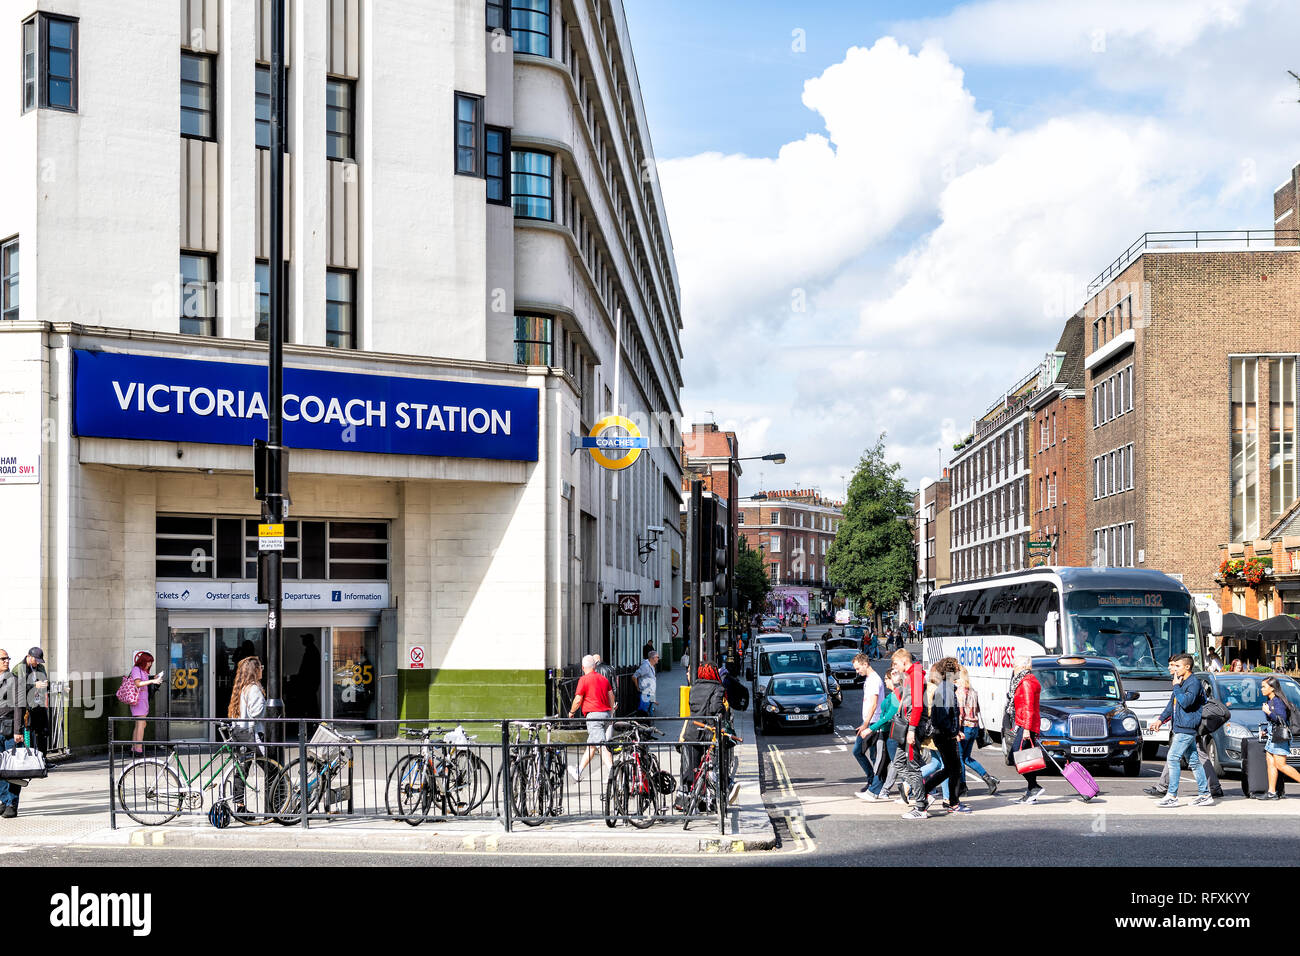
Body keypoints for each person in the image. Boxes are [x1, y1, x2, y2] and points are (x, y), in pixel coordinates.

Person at [1144, 667, 1223, 800]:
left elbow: (1186, 703)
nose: (1171, 669)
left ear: (1185, 667)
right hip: (1182, 728)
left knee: (1173, 758)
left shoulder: (1192, 683)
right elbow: (1172, 706)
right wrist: (1160, 721)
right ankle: (1205, 793)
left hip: (1186, 728)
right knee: (1195, 761)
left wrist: (1176, 687)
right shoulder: (1182, 684)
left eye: (1175, 666)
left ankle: (1171, 795)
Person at [920, 657, 969, 814]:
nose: (959, 672)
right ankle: (952, 802)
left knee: (950, 769)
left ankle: (930, 791)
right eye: (957, 669)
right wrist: (952, 732)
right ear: (951, 671)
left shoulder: (945, 687)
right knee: (954, 769)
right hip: (944, 735)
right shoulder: (945, 689)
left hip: (943, 735)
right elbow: (941, 715)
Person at [676, 663, 728, 810]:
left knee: (691, 768)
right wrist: (723, 709)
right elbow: (715, 708)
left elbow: (692, 708)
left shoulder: (694, 688)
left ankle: (684, 801)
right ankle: (710, 801)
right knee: (712, 766)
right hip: (708, 732)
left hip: (692, 731)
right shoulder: (718, 688)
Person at [890, 648, 932, 820]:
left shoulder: (915, 674)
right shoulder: (910, 675)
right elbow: (906, 700)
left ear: (904, 661)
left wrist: (912, 730)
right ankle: (923, 795)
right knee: (899, 762)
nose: (895, 667)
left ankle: (921, 807)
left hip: (912, 726)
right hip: (908, 725)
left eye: (896, 663)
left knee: (912, 766)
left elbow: (917, 706)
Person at [567, 654, 615, 781]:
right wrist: (611, 712)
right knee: (592, 746)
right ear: (594, 666)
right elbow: (611, 696)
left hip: (594, 717)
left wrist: (571, 712)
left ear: (583, 667)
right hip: (606, 715)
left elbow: (578, 699)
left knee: (601, 746)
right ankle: (579, 771)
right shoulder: (603, 679)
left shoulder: (584, 679)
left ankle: (612, 772)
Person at [956, 665, 999, 795]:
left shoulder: (959, 693)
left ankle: (963, 786)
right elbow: (978, 710)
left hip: (965, 727)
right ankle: (988, 778)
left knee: (960, 758)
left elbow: (960, 714)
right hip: (974, 727)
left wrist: (957, 730)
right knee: (967, 758)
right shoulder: (973, 691)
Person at [1010, 656, 1046, 804]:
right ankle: (1032, 789)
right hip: (1025, 723)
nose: (1013, 668)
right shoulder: (1026, 680)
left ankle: (1034, 786)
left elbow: (1028, 707)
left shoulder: (1026, 682)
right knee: (1026, 757)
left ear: (1023, 667)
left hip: (1026, 725)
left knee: (1016, 755)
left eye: (1015, 665)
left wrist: (1026, 729)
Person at [1258, 677, 1300, 799]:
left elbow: (1281, 719)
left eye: (1264, 686)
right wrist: (1266, 731)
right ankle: (1271, 792)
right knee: (1271, 764)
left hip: (1280, 737)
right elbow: (1274, 722)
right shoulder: (1270, 700)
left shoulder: (1277, 701)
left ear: (1272, 688)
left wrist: (1268, 712)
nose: (1261, 689)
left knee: (1281, 765)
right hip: (1273, 735)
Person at [851, 654, 885, 798]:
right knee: (870, 755)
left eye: (858, 668)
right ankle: (874, 782)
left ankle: (876, 784)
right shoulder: (869, 679)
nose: (857, 671)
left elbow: (874, 704)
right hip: (869, 722)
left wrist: (865, 724)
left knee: (864, 753)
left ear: (865, 664)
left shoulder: (874, 680)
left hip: (873, 722)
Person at [863, 669, 900, 799]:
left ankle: (877, 790)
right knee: (890, 763)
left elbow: (888, 716)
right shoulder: (892, 695)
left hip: (889, 733)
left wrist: (871, 728)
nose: (884, 681)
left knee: (896, 764)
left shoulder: (896, 695)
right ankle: (877, 790)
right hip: (886, 732)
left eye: (886, 678)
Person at [12, 648, 51, 755]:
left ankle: (43, 759)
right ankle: (31, 759)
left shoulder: (40, 667)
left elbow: (44, 682)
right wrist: (34, 685)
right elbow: (19, 687)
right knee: (29, 733)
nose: (37, 662)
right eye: (36, 660)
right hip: (27, 707)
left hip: (39, 704)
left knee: (43, 732)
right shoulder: (19, 668)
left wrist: (46, 684)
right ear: (28, 656)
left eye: (39, 660)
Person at [127, 652, 164, 755]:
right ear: (143, 661)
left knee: (140, 724)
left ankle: (134, 748)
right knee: (141, 724)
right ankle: (138, 749)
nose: (150, 664)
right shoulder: (136, 669)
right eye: (148, 662)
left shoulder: (142, 671)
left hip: (143, 700)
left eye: (151, 662)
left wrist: (153, 678)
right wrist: (152, 681)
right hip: (139, 700)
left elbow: (144, 681)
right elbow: (138, 683)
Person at [0, 649, 19, 818]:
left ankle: (12, 803)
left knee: (12, 769)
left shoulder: (13, 680)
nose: (6, 661)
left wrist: (17, 731)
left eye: (8, 658)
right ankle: (4, 800)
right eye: (3, 659)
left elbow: (19, 707)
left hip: (9, 727)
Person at [634, 651, 659, 716]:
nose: (658, 659)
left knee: (649, 712)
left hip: (649, 693)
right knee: (643, 712)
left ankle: (649, 724)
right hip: (645, 693)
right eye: (657, 657)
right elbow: (634, 676)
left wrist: (653, 699)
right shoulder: (645, 666)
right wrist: (637, 687)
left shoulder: (652, 666)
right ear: (652, 658)